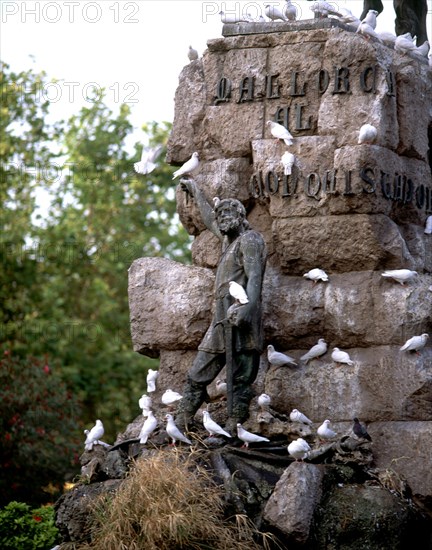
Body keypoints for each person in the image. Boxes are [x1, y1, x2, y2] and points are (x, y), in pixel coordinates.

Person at [176, 178, 267, 433]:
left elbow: (255, 277)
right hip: (221, 320)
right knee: (197, 372)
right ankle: (181, 422)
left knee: (240, 379)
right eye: (221, 212)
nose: (223, 216)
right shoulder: (228, 241)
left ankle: (235, 427)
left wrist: (246, 311)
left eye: (229, 212)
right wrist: (194, 191)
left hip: (242, 320)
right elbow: (208, 218)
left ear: (240, 216)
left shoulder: (249, 240)